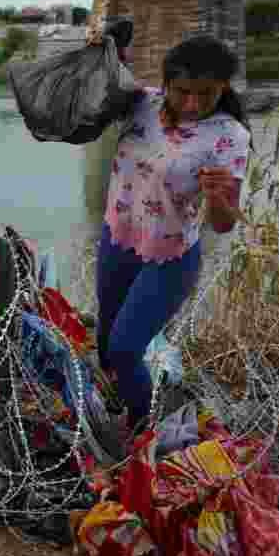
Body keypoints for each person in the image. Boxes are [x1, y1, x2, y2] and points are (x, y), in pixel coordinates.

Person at [96, 35, 251, 441]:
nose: (194, 104)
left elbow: (222, 224)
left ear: (224, 88)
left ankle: (143, 432)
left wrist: (219, 198)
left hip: (170, 255)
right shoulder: (140, 104)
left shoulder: (229, 136)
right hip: (118, 239)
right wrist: (102, 50)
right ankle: (122, 401)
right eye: (183, 92)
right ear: (165, 84)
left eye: (208, 93)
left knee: (126, 348)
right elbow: (84, 98)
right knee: (105, 342)